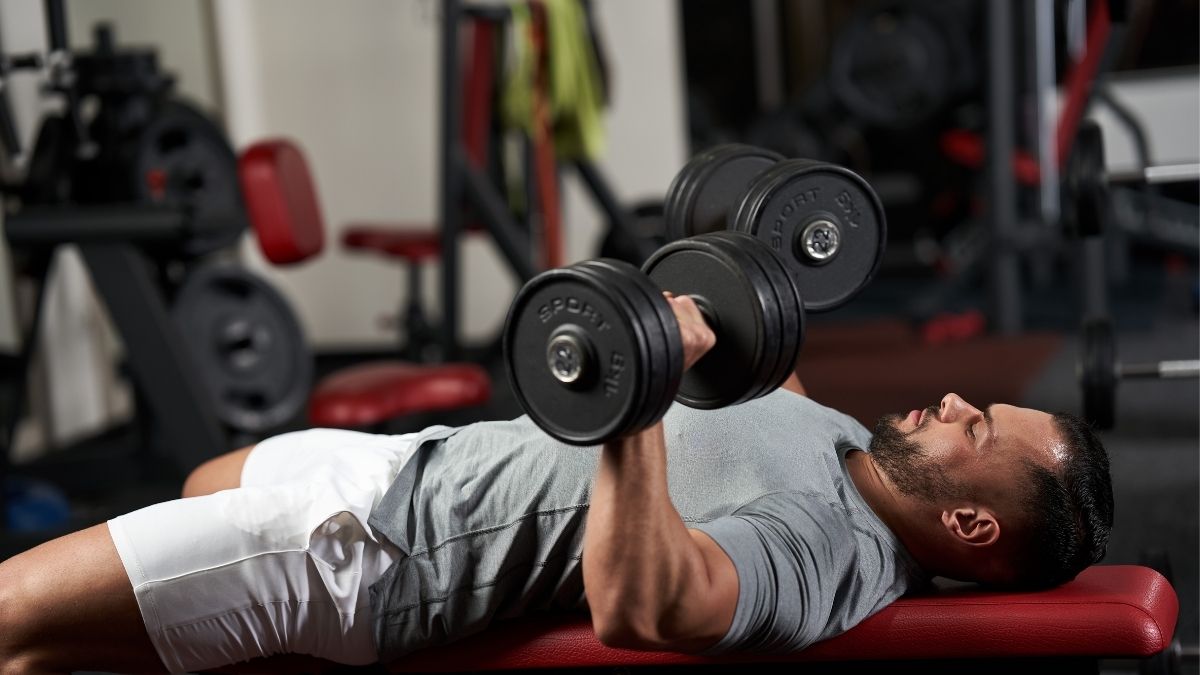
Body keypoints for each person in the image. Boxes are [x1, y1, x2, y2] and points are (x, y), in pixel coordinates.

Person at [0, 295, 1113, 674]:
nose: (964, 402)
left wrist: (636, 398)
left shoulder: (831, 551)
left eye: (984, 429)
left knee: (17, 619)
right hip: (413, 466)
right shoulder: (847, 454)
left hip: (364, 552)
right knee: (201, 482)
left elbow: (651, 607)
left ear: (968, 523)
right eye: (983, 402)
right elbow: (752, 375)